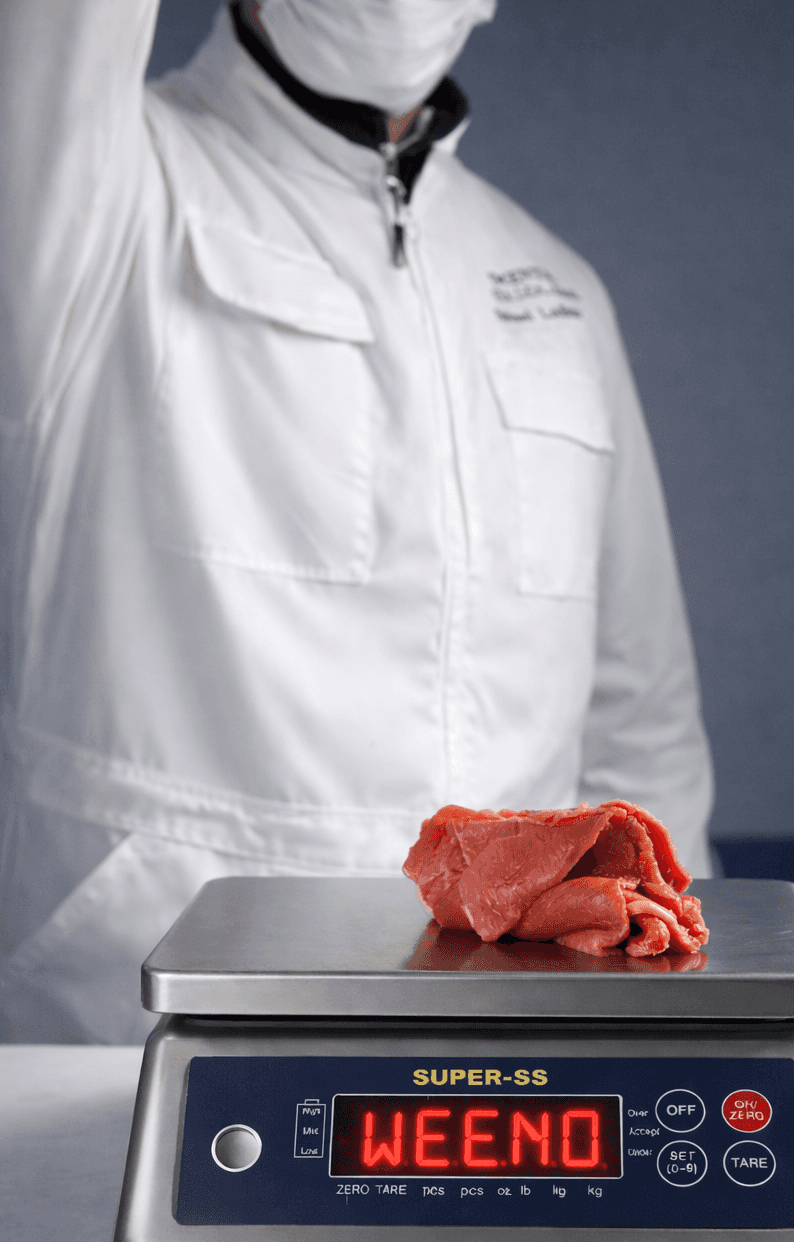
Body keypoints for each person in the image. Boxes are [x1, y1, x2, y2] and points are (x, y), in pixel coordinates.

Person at [0, 0, 714, 1044]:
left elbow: (640, 713)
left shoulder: (557, 289)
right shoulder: (98, 194)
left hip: (500, 1003)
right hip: (144, 995)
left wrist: (676, 1008)